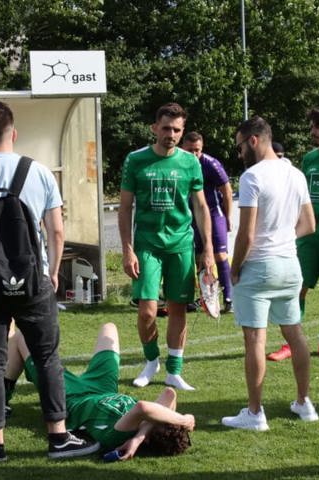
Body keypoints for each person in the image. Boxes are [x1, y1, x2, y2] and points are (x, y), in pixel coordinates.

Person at [0, 101, 98, 461]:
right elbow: (56, 231)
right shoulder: (39, 173)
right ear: (14, 133)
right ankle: (58, 437)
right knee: (46, 358)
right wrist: (53, 272)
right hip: (32, 280)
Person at [221, 116, 318, 431]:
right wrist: (283, 237)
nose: (239, 154)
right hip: (290, 265)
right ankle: (304, 403)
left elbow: (245, 235)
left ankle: (254, 413)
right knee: (295, 334)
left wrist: (233, 270)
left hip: (260, 267)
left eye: (239, 147)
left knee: (255, 340)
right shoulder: (296, 173)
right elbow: (309, 225)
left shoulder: (252, 176)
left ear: (252, 140)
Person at [118, 103, 214, 392]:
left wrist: (207, 248)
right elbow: (124, 209)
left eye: (176, 129)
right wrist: (127, 248)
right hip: (147, 244)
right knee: (147, 311)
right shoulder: (136, 160)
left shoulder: (190, 162)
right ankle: (151, 362)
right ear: (154, 128)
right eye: (165, 128)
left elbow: (200, 206)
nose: (170, 133)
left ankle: (174, 371)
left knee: (178, 309)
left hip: (181, 244)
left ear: (182, 131)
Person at [0, 322, 194, 460]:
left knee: (22, 337)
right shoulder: (142, 430)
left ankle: (1, 400)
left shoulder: (119, 436)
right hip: (103, 386)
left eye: (164, 419)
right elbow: (170, 394)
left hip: (71, 397)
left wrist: (183, 420)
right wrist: (140, 437)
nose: (165, 415)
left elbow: (143, 408)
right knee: (109, 328)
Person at [267, 107, 319, 362]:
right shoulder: (309, 159)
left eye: (317, 127)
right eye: (311, 127)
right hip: (308, 233)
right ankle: (290, 342)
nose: (312, 132)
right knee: (297, 288)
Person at [181, 132, 234, 313]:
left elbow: (226, 190)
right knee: (196, 256)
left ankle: (229, 297)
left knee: (219, 254)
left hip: (213, 213)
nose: (194, 154)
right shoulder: (178, 162)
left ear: (202, 149)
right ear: (182, 148)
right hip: (190, 215)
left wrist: (228, 216)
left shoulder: (211, 164)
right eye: (190, 150)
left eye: (197, 150)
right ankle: (205, 298)